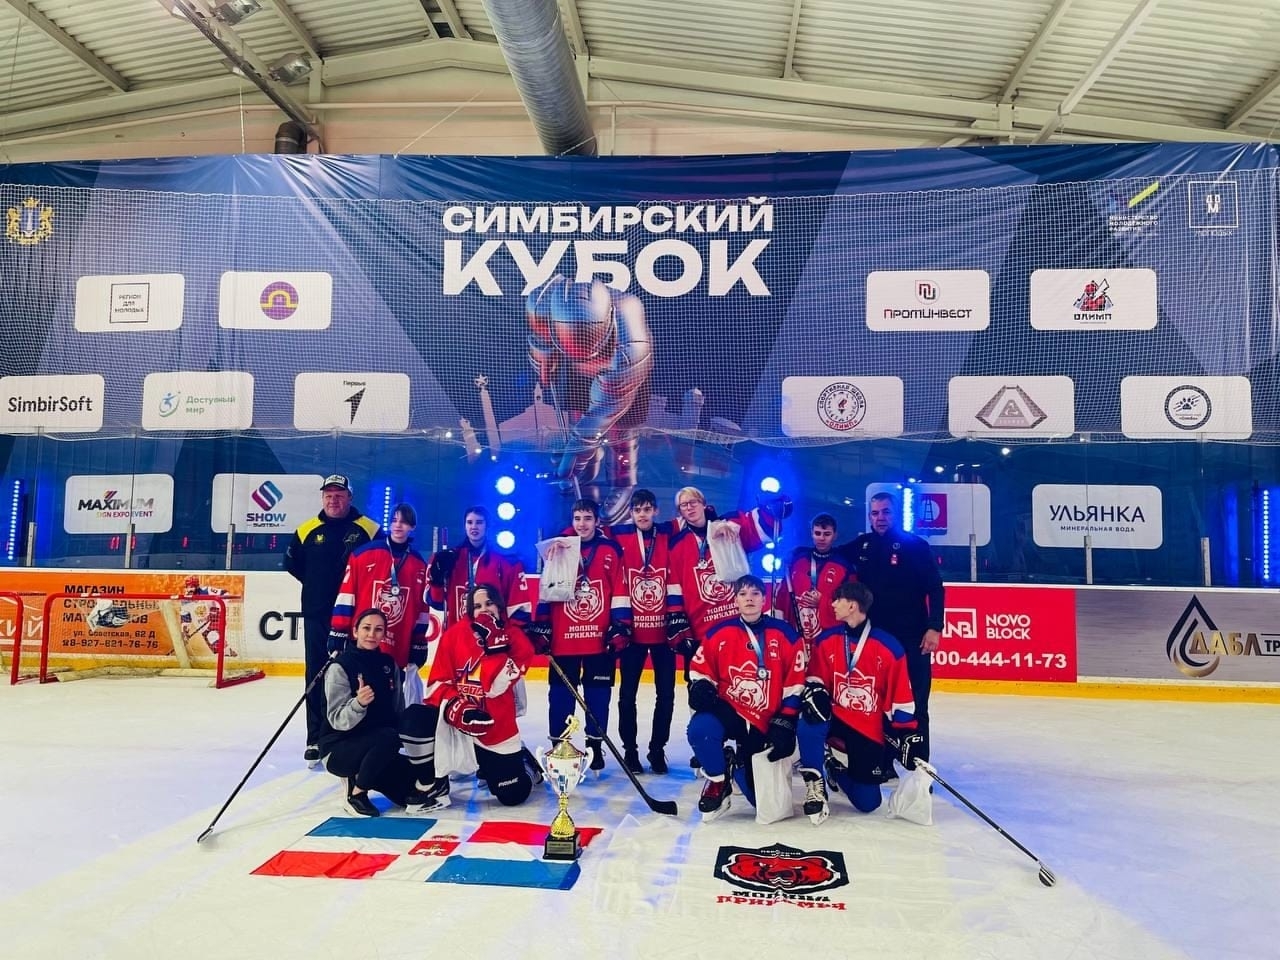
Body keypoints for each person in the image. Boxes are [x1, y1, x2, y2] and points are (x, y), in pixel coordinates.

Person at [399, 584, 539, 808]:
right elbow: (436, 685)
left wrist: (495, 644)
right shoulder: (454, 635)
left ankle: (524, 763)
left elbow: (494, 687)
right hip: (458, 727)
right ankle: (432, 784)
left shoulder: (516, 639)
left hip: (495, 730)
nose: (484, 609)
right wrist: (459, 710)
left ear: (499, 606)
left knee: (513, 795)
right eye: (477, 606)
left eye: (489, 603)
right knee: (414, 718)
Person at [526, 275, 653, 520]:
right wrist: (544, 357)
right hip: (575, 367)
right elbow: (538, 339)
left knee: (620, 429)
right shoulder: (542, 303)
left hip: (621, 369)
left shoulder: (631, 327)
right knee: (578, 414)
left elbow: (607, 407)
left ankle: (623, 482)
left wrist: (581, 443)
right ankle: (588, 467)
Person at [794, 581, 922, 823]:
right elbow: (815, 677)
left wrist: (906, 733)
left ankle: (834, 770)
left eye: (838, 600)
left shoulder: (889, 647)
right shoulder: (826, 640)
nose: (832, 604)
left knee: (868, 803)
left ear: (852, 605)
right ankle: (815, 783)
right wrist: (817, 690)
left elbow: (901, 697)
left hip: (867, 727)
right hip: (834, 717)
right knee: (808, 721)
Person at [836, 491, 944, 775]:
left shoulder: (915, 546)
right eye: (875, 513)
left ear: (895, 514)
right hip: (876, 640)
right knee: (878, 700)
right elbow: (827, 554)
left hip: (912, 638)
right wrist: (798, 554)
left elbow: (935, 588)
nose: (880, 518)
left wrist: (935, 627)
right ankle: (883, 762)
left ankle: (918, 765)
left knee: (916, 701)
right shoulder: (863, 545)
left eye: (885, 512)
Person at [685, 575, 806, 822]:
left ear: (764, 599)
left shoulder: (785, 633)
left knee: (762, 805)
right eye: (743, 594)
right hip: (730, 709)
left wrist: (786, 719)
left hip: (767, 719)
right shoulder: (719, 632)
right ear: (735, 600)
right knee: (701, 730)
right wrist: (701, 686)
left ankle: (738, 764)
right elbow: (700, 670)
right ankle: (718, 779)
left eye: (755, 594)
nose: (749, 599)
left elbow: (795, 682)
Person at [530, 498, 632, 773]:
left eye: (587, 518)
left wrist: (620, 625)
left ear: (597, 521)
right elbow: (547, 588)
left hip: (599, 640)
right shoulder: (558, 547)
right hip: (564, 640)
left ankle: (594, 747)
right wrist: (542, 626)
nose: (582, 524)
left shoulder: (610, 549)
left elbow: (619, 588)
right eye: (577, 518)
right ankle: (560, 746)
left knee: (598, 696)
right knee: (560, 697)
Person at [285, 475, 379, 767]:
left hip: (356, 620)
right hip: (317, 616)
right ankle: (315, 738)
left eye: (339, 495)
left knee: (353, 676)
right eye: (328, 495)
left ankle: (352, 733)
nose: (333, 500)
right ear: (322, 497)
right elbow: (294, 566)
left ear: (350, 497)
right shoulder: (306, 530)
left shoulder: (370, 530)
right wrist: (320, 590)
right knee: (316, 675)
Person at [318, 609, 430, 817]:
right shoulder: (340, 667)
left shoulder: (388, 664)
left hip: (378, 747)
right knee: (388, 736)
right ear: (355, 631)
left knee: (409, 792)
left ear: (384, 634)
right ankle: (356, 793)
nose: (371, 634)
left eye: (378, 629)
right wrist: (358, 704)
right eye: (366, 628)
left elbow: (398, 711)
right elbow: (337, 720)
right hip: (339, 747)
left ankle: (365, 773)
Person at [666, 486, 791, 654]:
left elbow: (762, 530)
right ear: (680, 511)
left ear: (703, 504)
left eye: (693, 502)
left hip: (739, 621)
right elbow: (674, 586)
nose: (689, 507)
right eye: (684, 505)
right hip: (702, 628)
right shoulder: (676, 545)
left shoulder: (731, 525)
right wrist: (679, 622)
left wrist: (769, 507)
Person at [609, 489, 680, 774]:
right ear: (631, 513)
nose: (642, 514)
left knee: (667, 696)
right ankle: (630, 751)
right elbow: (584, 530)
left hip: (664, 634)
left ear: (655, 511)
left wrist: (711, 513)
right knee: (627, 696)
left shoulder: (667, 534)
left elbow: (696, 520)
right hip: (632, 634)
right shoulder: (619, 535)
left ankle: (657, 750)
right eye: (637, 510)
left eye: (647, 509)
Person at [330, 502, 431, 674]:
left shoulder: (419, 564)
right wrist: (339, 630)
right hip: (363, 641)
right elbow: (347, 595)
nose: (398, 525)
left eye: (404, 522)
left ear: (412, 527)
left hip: (398, 643)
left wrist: (418, 640)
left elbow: (421, 607)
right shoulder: (363, 554)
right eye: (394, 520)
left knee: (392, 689)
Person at [428, 505, 529, 627]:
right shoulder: (451, 558)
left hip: (494, 635)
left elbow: (518, 610)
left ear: (487, 525)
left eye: (479, 522)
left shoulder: (507, 562)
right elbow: (436, 603)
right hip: (458, 634)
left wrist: (512, 635)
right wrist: (437, 581)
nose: (474, 527)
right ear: (465, 525)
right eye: (469, 522)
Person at [776, 513, 855, 644]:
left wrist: (823, 602)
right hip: (797, 633)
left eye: (827, 534)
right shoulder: (797, 561)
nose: (821, 538)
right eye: (817, 533)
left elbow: (851, 604)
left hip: (829, 637)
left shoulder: (844, 567)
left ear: (835, 535)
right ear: (812, 534)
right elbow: (783, 595)